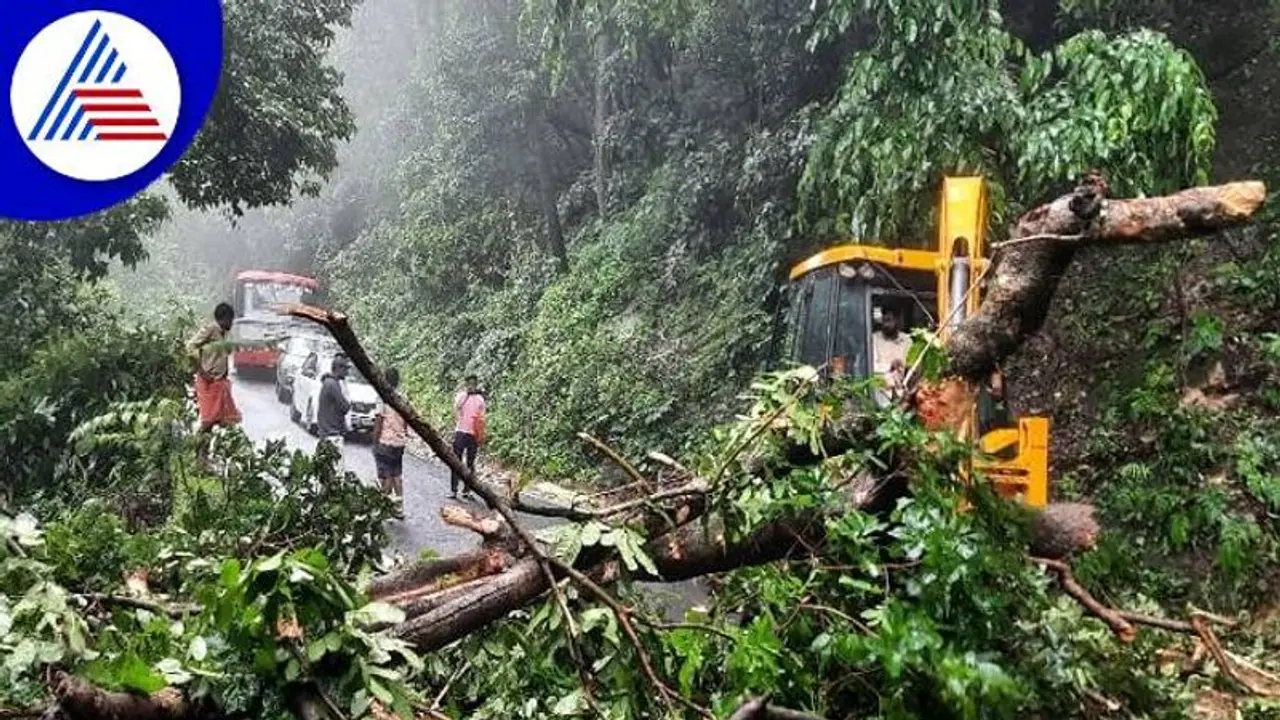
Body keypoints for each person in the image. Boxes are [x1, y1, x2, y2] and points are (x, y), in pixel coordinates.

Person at [186, 303, 241, 465]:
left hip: (220, 383)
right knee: (208, 421)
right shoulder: (210, 330)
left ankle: (207, 455)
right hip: (208, 382)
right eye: (230, 320)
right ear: (223, 319)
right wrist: (201, 370)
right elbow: (190, 346)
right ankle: (199, 456)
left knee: (221, 420)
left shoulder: (223, 334)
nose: (232, 324)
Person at [372, 367, 408, 516]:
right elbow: (406, 420)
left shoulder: (382, 398)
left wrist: (374, 441)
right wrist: (404, 434)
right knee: (397, 474)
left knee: (386, 476)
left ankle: (384, 509)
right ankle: (399, 508)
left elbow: (379, 421)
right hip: (399, 443)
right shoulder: (402, 398)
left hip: (385, 441)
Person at [450, 374, 487, 500]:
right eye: (469, 384)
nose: (471, 386)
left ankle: (467, 490)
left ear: (476, 385)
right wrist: (458, 421)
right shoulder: (461, 396)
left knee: (470, 463)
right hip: (461, 431)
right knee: (456, 461)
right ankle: (453, 490)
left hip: (473, 434)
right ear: (466, 384)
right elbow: (455, 409)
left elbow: (482, 418)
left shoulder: (480, 400)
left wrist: (480, 434)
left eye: (473, 384)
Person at [316, 353, 352, 475]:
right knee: (336, 473)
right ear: (339, 368)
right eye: (345, 369)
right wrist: (345, 390)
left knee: (326, 471)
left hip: (325, 433)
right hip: (331, 435)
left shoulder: (329, 382)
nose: (347, 373)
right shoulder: (333, 385)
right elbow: (345, 407)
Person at [871, 306, 910, 404]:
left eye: (889, 320)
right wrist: (890, 366)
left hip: (903, 392)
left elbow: (912, 367)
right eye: (884, 320)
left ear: (897, 320)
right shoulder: (874, 339)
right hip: (880, 392)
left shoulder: (907, 341)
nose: (885, 324)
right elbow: (871, 366)